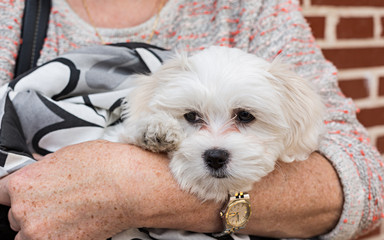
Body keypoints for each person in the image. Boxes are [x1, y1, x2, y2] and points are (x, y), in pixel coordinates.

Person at [0, 0, 382, 239]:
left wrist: (139, 191)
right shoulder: (12, 10)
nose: (215, 143)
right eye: (193, 117)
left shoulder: (250, 7)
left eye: (244, 117)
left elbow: (369, 184)